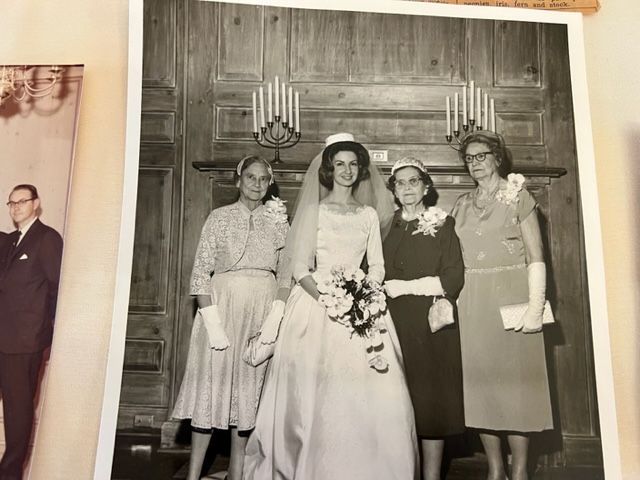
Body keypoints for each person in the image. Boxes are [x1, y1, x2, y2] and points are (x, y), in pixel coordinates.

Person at [244, 133, 418, 480]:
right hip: (316, 305)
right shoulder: (315, 211)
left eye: (353, 164)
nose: (347, 171)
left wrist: (363, 296)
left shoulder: (368, 214)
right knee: (314, 394)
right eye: (340, 164)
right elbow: (299, 268)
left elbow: (377, 266)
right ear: (328, 169)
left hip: (361, 308)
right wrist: (329, 300)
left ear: (360, 169)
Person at [172, 155, 290, 480]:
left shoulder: (279, 222)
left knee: (248, 397)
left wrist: (275, 317)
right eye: (251, 177)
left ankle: (237, 474)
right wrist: (213, 324)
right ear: (239, 180)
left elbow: (287, 275)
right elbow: (200, 273)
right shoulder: (219, 217)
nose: (257, 184)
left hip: (261, 313)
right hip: (221, 313)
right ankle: (193, 475)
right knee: (209, 394)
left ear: (270, 184)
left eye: (263, 179)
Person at [451, 131, 553, 480]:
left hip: (514, 295)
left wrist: (535, 306)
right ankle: (495, 469)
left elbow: (536, 255)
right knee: (482, 387)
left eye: (481, 156)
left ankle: (519, 469)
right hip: (473, 300)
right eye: (469, 158)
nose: (475, 163)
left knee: (516, 387)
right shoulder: (462, 204)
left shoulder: (518, 195)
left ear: (497, 158)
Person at [382, 157, 465, 480]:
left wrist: (404, 287)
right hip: (391, 323)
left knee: (431, 406)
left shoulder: (443, 224)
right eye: (400, 183)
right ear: (393, 190)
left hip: (430, 323)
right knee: (395, 402)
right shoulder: (385, 226)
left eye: (413, 181)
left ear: (426, 187)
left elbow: (452, 278)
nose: (407, 188)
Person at [0, 184, 63, 480]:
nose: (15, 207)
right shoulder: (9, 241)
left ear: (35, 204)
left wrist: (43, 330)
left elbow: (57, 288)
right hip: (2, 337)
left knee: (18, 413)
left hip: (25, 342)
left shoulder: (47, 238)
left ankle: (9, 474)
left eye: (22, 201)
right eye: (11, 203)